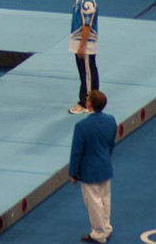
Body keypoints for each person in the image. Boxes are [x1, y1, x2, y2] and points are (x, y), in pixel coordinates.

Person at [70, 89, 116, 243]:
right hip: (105, 165)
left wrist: (73, 173)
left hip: (89, 170)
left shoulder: (82, 126)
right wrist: (105, 158)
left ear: (89, 104)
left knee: (94, 203)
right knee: (105, 199)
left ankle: (98, 233)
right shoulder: (111, 120)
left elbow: (77, 152)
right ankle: (106, 227)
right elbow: (111, 143)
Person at [69, 0, 98, 114]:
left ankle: (86, 103)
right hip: (79, 40)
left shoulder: (88, 3)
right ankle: (93, 100)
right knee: (85, 73)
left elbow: (88, 25)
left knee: (87, 74)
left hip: (85, 42)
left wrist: (82, 46)